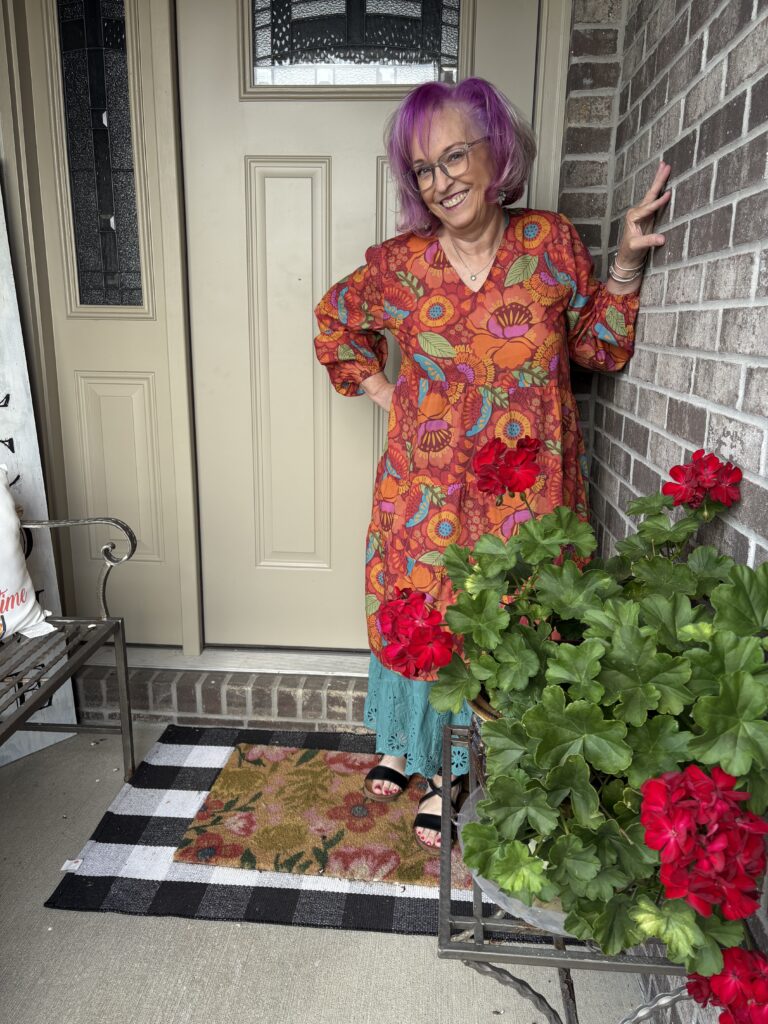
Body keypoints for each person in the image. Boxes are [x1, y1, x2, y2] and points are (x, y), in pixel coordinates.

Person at [314, 77, 671, 852]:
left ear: (495, 152)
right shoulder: (399, 266)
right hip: (425, 490)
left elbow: (598, 350)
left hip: (527, 497)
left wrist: (624, 266)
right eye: (423, 169)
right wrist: (389, 396)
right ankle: (410, 746)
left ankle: (457, 770)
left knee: (510, 620)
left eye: (453, 157)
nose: (441, 182)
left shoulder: (551, 243)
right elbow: (334, 324)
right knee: (425, 610)